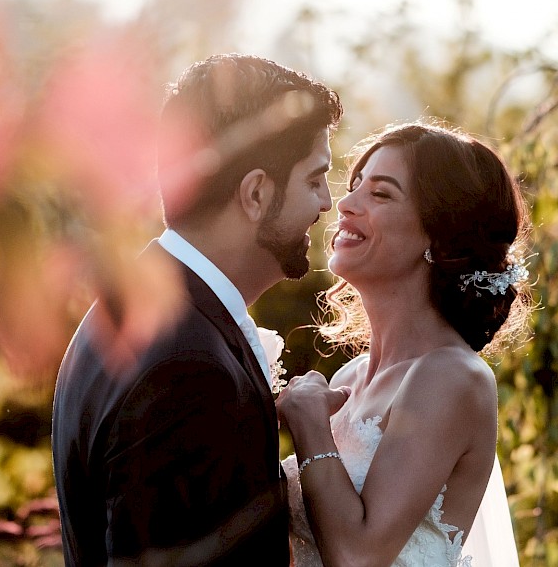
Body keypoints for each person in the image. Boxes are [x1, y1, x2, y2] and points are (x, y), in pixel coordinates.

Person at [52, 54, 342, 566]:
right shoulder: (187, 371)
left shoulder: (130, 310)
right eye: (315, 179)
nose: (326, 204)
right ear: (256, 193)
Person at [277, 119, 529, 567]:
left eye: (380, 193)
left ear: (439, 235)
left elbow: (358, 556)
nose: (345, 204)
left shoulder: (452, 377)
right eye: (355, 185)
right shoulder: (348, 378)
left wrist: (307, 423)